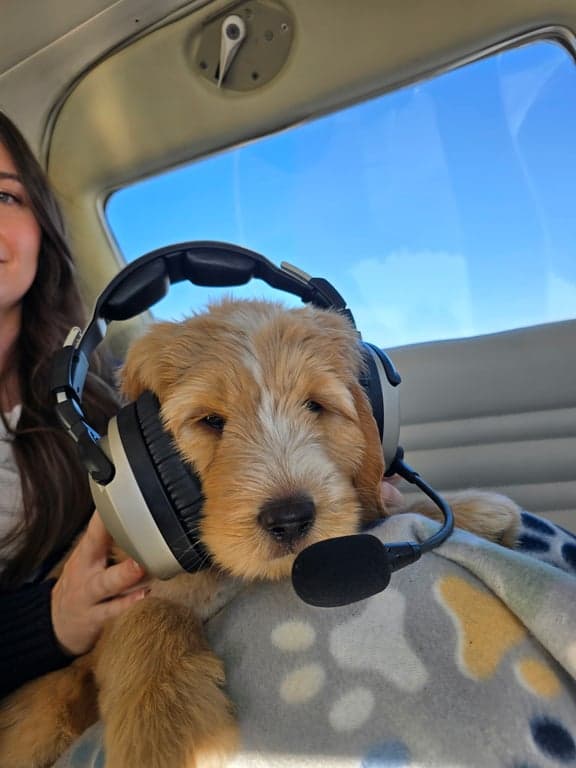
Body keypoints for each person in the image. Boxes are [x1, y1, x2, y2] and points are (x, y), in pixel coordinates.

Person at [0, 111, 148, 700]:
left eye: (3, 195)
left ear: (41, 225)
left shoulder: (93, 371)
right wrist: (50, 622)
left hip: (138, 630)